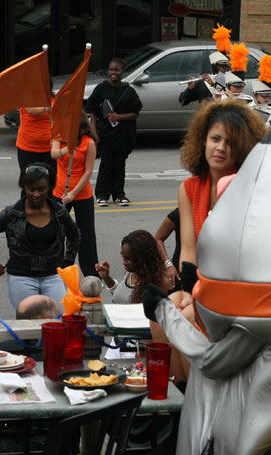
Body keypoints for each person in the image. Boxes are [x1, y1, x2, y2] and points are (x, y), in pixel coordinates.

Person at [177, 100, 267, 306]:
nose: (221, 148)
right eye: (215, 139)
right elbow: (189, 249)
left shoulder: (250, 187)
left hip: (241, 288)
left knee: (184, 319)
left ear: (243, 148)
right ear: (203, 140)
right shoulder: (188, 189)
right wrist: (188, 292)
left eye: (230, 143)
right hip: (199, 283)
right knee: (164, 312)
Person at [0, 163, 81, 314]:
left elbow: (75, 235)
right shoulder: (11, 213)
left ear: (49, 187)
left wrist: (67, 262)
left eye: (41, 189)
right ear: (24, 187)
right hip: (21, 277)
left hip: (53, 275)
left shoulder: (59, 212)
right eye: (31, 189)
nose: (36, 194)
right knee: (28, 325)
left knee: (59, 321)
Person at [94, 230, 189, 384]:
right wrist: (107, 278)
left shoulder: (160, 283)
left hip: (137, 349)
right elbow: (121, 298)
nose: (124, 262)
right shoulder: (130, 273)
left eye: (129, 258)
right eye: (123, 257)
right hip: (118, 343)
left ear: (142, 259)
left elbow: (154, 323)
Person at [86, 57, 142, 207]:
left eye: (116, 70)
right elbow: (91, 109)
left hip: (123, 135)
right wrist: (94, 131)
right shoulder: (101, 88)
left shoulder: (128, 91)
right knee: (106, 164)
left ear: (122, 72)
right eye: (111, 70)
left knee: (119, 165)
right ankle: (102, 195)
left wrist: (119, 117)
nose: (113, 72)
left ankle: (119, 194)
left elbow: (135, 113)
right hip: (105, 134)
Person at [51, 111, 98, 278]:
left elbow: (88, 172)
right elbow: (54, 153)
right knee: (58, 233)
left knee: (86, 235)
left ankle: (91, 273)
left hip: (81, 194)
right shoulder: (59, 138)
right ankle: (59, 270)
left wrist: (72, 193)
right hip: (59, 192)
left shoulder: (89, 143)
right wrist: (67, 149)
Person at [154, 208, 181, 290]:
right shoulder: (180, 213)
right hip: (180, 274)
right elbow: (157, 239)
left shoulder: (218, 213)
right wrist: (168, 264)